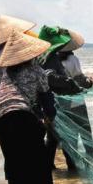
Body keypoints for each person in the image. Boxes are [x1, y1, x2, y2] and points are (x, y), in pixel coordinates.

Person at [0, 30, 55, 184]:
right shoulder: (37, 71)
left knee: (20, 169)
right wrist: (48, 123)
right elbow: (49, 106)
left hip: (0, 120)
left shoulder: (7, 73)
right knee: (41, 171)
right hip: (22, 117)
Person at [0, 15, 37, 184]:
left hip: (0, 109)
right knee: (25, 158)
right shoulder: (7, 54)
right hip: (19, 108)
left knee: (11, 156)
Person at [38, 25, 83, 170]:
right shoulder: (48, 58)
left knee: (53, 138)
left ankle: (49, 166)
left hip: (51, 104)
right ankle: (72, 168)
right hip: (55, 103)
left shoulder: (46, 56)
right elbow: (50, 77)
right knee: (66, 137)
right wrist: (70, 83)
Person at [58, 29, 93, 155]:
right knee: (84, 129)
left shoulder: (54, 60)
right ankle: (90, 155)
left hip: (61, 103)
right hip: (76, 101)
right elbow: (79, 80)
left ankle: (72, 162)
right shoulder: (72, 59)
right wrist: (91, 81)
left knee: (69, 133)